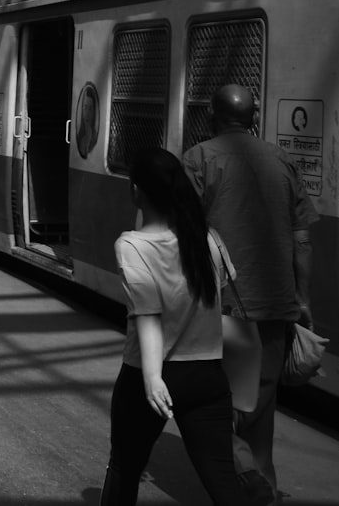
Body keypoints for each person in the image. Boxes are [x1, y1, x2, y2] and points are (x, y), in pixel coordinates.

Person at [182, 84, 317, 506]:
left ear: (210, 116)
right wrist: (303, 299)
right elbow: (301, 240)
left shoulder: (199, 159)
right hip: (277, 303)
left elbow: (183, 234)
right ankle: (265, 490)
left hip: (227, 304)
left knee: (217, 405)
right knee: (260, 408)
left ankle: (247, 480)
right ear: (253, 117)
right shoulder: (282, 160)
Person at [101, 147, 244, 506]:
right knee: (224, 482)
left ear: (136, 191)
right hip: (208, 376)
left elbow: (147, 316)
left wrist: (152, 378)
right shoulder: (206, 238)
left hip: (148, 377)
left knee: (124, 471)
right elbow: (223, 297)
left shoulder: (132, 246)